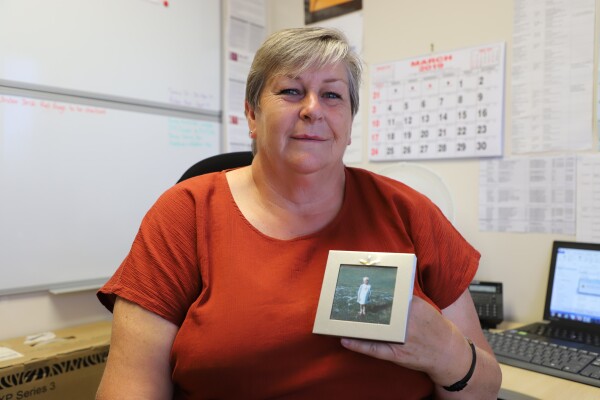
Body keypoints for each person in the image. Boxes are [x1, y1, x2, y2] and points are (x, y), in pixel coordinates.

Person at [95, 27, 502, 399]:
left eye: (332, 95)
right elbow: (129, 389)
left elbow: (484, 388)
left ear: (349, 119)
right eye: (291, 91)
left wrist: (446, 353)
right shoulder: (185, 214)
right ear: (252, 115)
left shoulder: (409, 212)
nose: (313, 109)